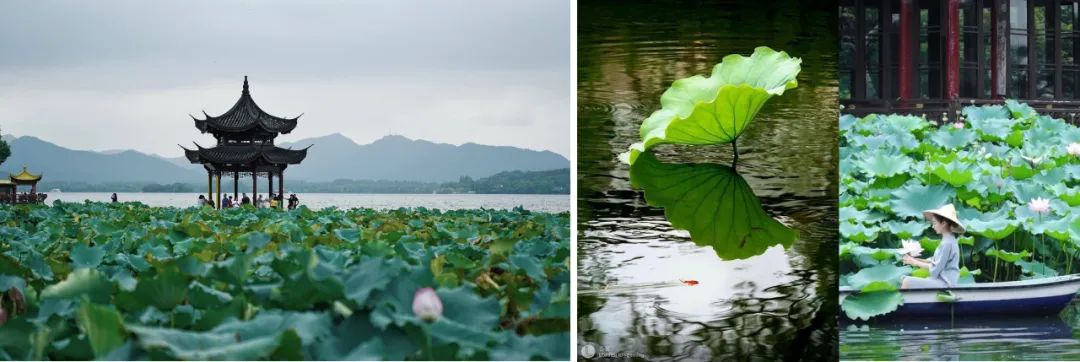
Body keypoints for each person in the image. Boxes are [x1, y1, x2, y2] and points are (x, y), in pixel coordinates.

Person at [900, 204, 964, 289]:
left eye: (934, 223)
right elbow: (934, 262)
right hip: (940, 281)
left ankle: (905, 302)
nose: (933, 226)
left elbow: (935, 269)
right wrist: (914, 259)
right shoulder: (948, 240)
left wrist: (914, 262)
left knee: (906, 281)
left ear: (944, 223)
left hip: (945, 283)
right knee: (903, 279)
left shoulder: (947, 243)